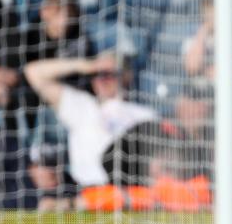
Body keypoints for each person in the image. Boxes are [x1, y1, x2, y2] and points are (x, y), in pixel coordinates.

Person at [24, 54, 159, 189]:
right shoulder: (83, 105)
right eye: (96, 74)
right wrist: (86, 66)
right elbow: (34, 72)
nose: (101, 80)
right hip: (88, 194)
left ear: (126, 76)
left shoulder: (145, 115)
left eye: (108, 74)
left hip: (130, 192)